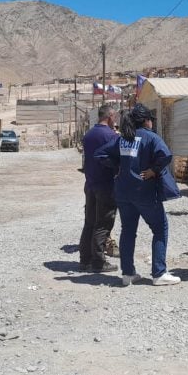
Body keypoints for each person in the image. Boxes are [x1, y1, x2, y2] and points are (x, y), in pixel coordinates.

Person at [95, 103, 181, 286]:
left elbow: (100, 154)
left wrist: (118, 167)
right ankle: (159, 273)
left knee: (128, 231)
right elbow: (166, 155)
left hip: (123, 192)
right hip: (144, 191)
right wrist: (154, 170)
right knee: (160, 228)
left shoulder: (122, 138)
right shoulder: (150, 137)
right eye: (151, 120)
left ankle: (127, 274)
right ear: (146, 121)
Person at [78, 104, 119, 273]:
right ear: (109, 117)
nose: (115, 121)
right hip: (105, 185)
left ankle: (85, 260)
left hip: (90, 184)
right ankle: (98, 261)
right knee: (103, 223)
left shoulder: (88, 135)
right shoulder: (111, 136)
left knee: (89, 222)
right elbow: (117, 160)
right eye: (114, 117)